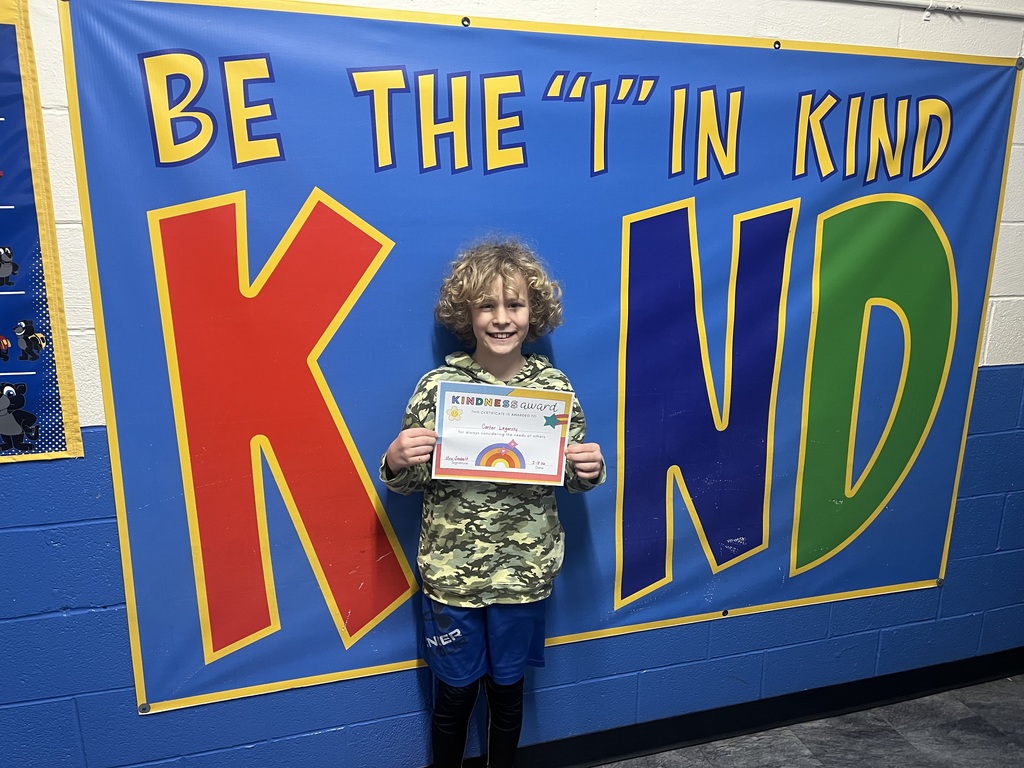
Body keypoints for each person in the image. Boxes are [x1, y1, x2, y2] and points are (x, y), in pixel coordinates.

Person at [380, 239, 605, 768]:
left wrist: (588, 471)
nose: (502, 319)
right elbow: (405, 485)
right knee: (454, 697)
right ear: (467, 314)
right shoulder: (439, 386)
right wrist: (395, 459)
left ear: (534, 312)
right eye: (487, 305)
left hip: (524, 575)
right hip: (451, 578)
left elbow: (572, 475)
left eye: (515, 304)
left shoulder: (553, 387)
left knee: (507, 693)